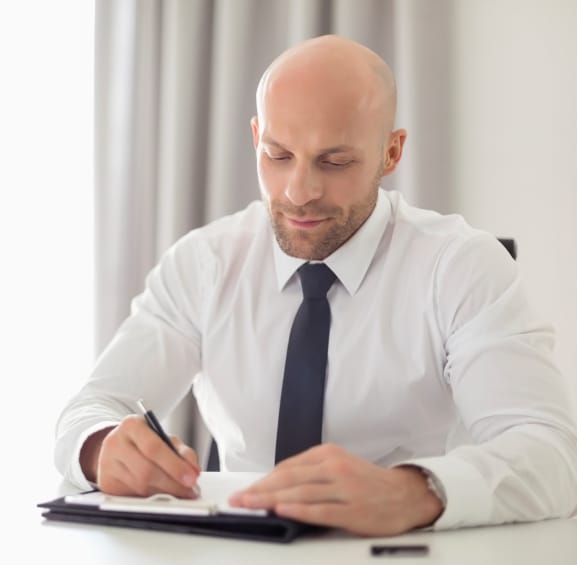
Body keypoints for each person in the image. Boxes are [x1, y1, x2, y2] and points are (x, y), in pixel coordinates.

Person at [54, 34, 577, 536]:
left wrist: (414, 493)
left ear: (391, 153)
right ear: (256, 138)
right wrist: (102, 448)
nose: (299, 192)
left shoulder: (462, 266)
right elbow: (91, 407)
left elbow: (551, 452)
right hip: (237, 552)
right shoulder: (205, 262)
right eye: (277, 156)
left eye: (335, 161)